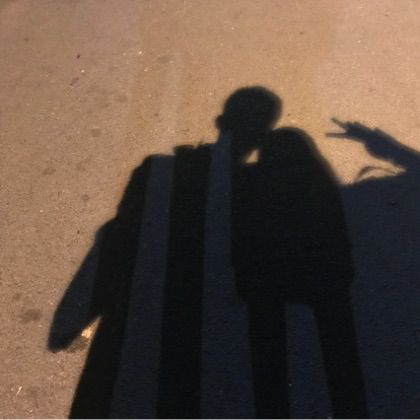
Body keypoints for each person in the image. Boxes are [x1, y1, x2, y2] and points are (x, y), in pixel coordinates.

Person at [218, 87, 368, 418]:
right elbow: (333, 219)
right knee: (341, 355)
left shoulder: (246, 179)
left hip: (267, 275)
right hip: (324, 270)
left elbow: (240, 230)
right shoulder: (311, 175)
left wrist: (244, 278)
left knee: (268, 356)